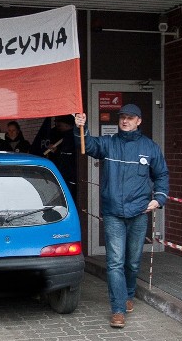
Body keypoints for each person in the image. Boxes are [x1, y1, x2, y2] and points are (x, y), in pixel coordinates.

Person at [74, 104, 169, 328]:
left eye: (130, 118)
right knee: (115, 262)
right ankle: (117, 309)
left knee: (133, 262)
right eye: (122, 117)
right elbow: (86, 145)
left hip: (139, 213)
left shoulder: (150, 148)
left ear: (139, 121)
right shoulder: (109, 144)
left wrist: (159, 198)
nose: (125, 121)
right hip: (114, 212)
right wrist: (81, 127)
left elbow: (162, 174)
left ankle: (127, 294)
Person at [32, 115, 78, 203]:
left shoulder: (72, 136)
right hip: (62, 172)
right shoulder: (56, 133)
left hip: (69, 175)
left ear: (67, 125)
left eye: (59, 125)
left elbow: (68, 157)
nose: (57, 127)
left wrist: (57, 152)